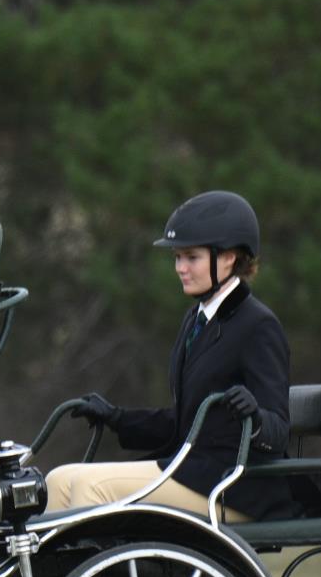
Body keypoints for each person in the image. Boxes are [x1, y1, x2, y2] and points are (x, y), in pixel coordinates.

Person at [45, 191, 296, 522]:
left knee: (92, 488)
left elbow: (277, 431)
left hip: (233, 487)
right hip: (194, 469)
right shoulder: (196, 320)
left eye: (191, 258)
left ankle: (99, 575)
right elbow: (184, 424)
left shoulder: (258, 326)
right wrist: (117, 418)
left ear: (229, 258)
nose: (180, 268)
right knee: (59, 481)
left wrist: (256, 417)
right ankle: (60, 576)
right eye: (177, 257)